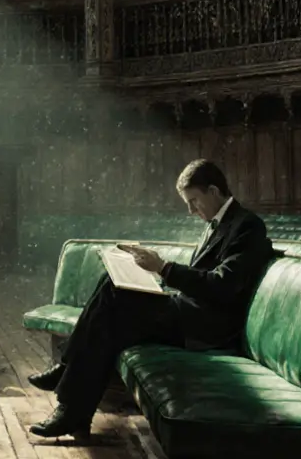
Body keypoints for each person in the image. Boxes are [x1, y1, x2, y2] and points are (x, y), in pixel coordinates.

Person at [27, 158, 274, 439]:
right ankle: (74, 412)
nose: (191, 211)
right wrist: (157, 279)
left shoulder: (247, 225)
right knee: (112, 291)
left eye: (194, 201)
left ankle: (68, 387)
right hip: (189, 312)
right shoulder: (217, 223)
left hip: (207, 327)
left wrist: (164, 268)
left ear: (214, 191)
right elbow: (203, 279)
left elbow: (224, 285)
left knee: (111, 306)